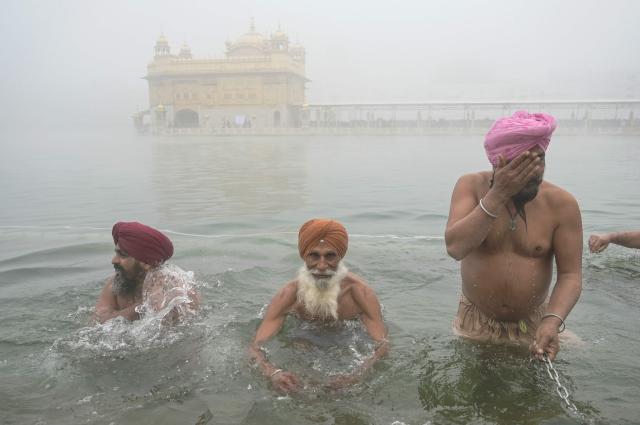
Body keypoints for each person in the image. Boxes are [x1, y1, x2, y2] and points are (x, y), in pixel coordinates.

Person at [444, 111, 582, 361]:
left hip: (534, 323)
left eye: (540, 159)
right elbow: (455, 247)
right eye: (523, 164)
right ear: (499, 163)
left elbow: (571, 275)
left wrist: (552, 322)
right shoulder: (470, 187)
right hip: (475, 322)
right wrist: (497, 195)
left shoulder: (562, 204)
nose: (535, 172)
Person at [249, 218, 388, 393]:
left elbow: (382, 344)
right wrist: (273, 372)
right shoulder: (289, 294)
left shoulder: (361, 293)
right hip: (303, 340)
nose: (322, 266)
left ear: (340, 256)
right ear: (304, 256)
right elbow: (255, 347)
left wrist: (358, 374)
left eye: (330, 256)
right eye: (314, 256)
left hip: (347, 341)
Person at [93, 221, 198, 323]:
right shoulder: (116, 282)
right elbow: (97, 321)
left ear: (146, 262)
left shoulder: (172, 289)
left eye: (123, 255)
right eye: (116, 253)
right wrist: (143, 304)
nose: (114, 260)